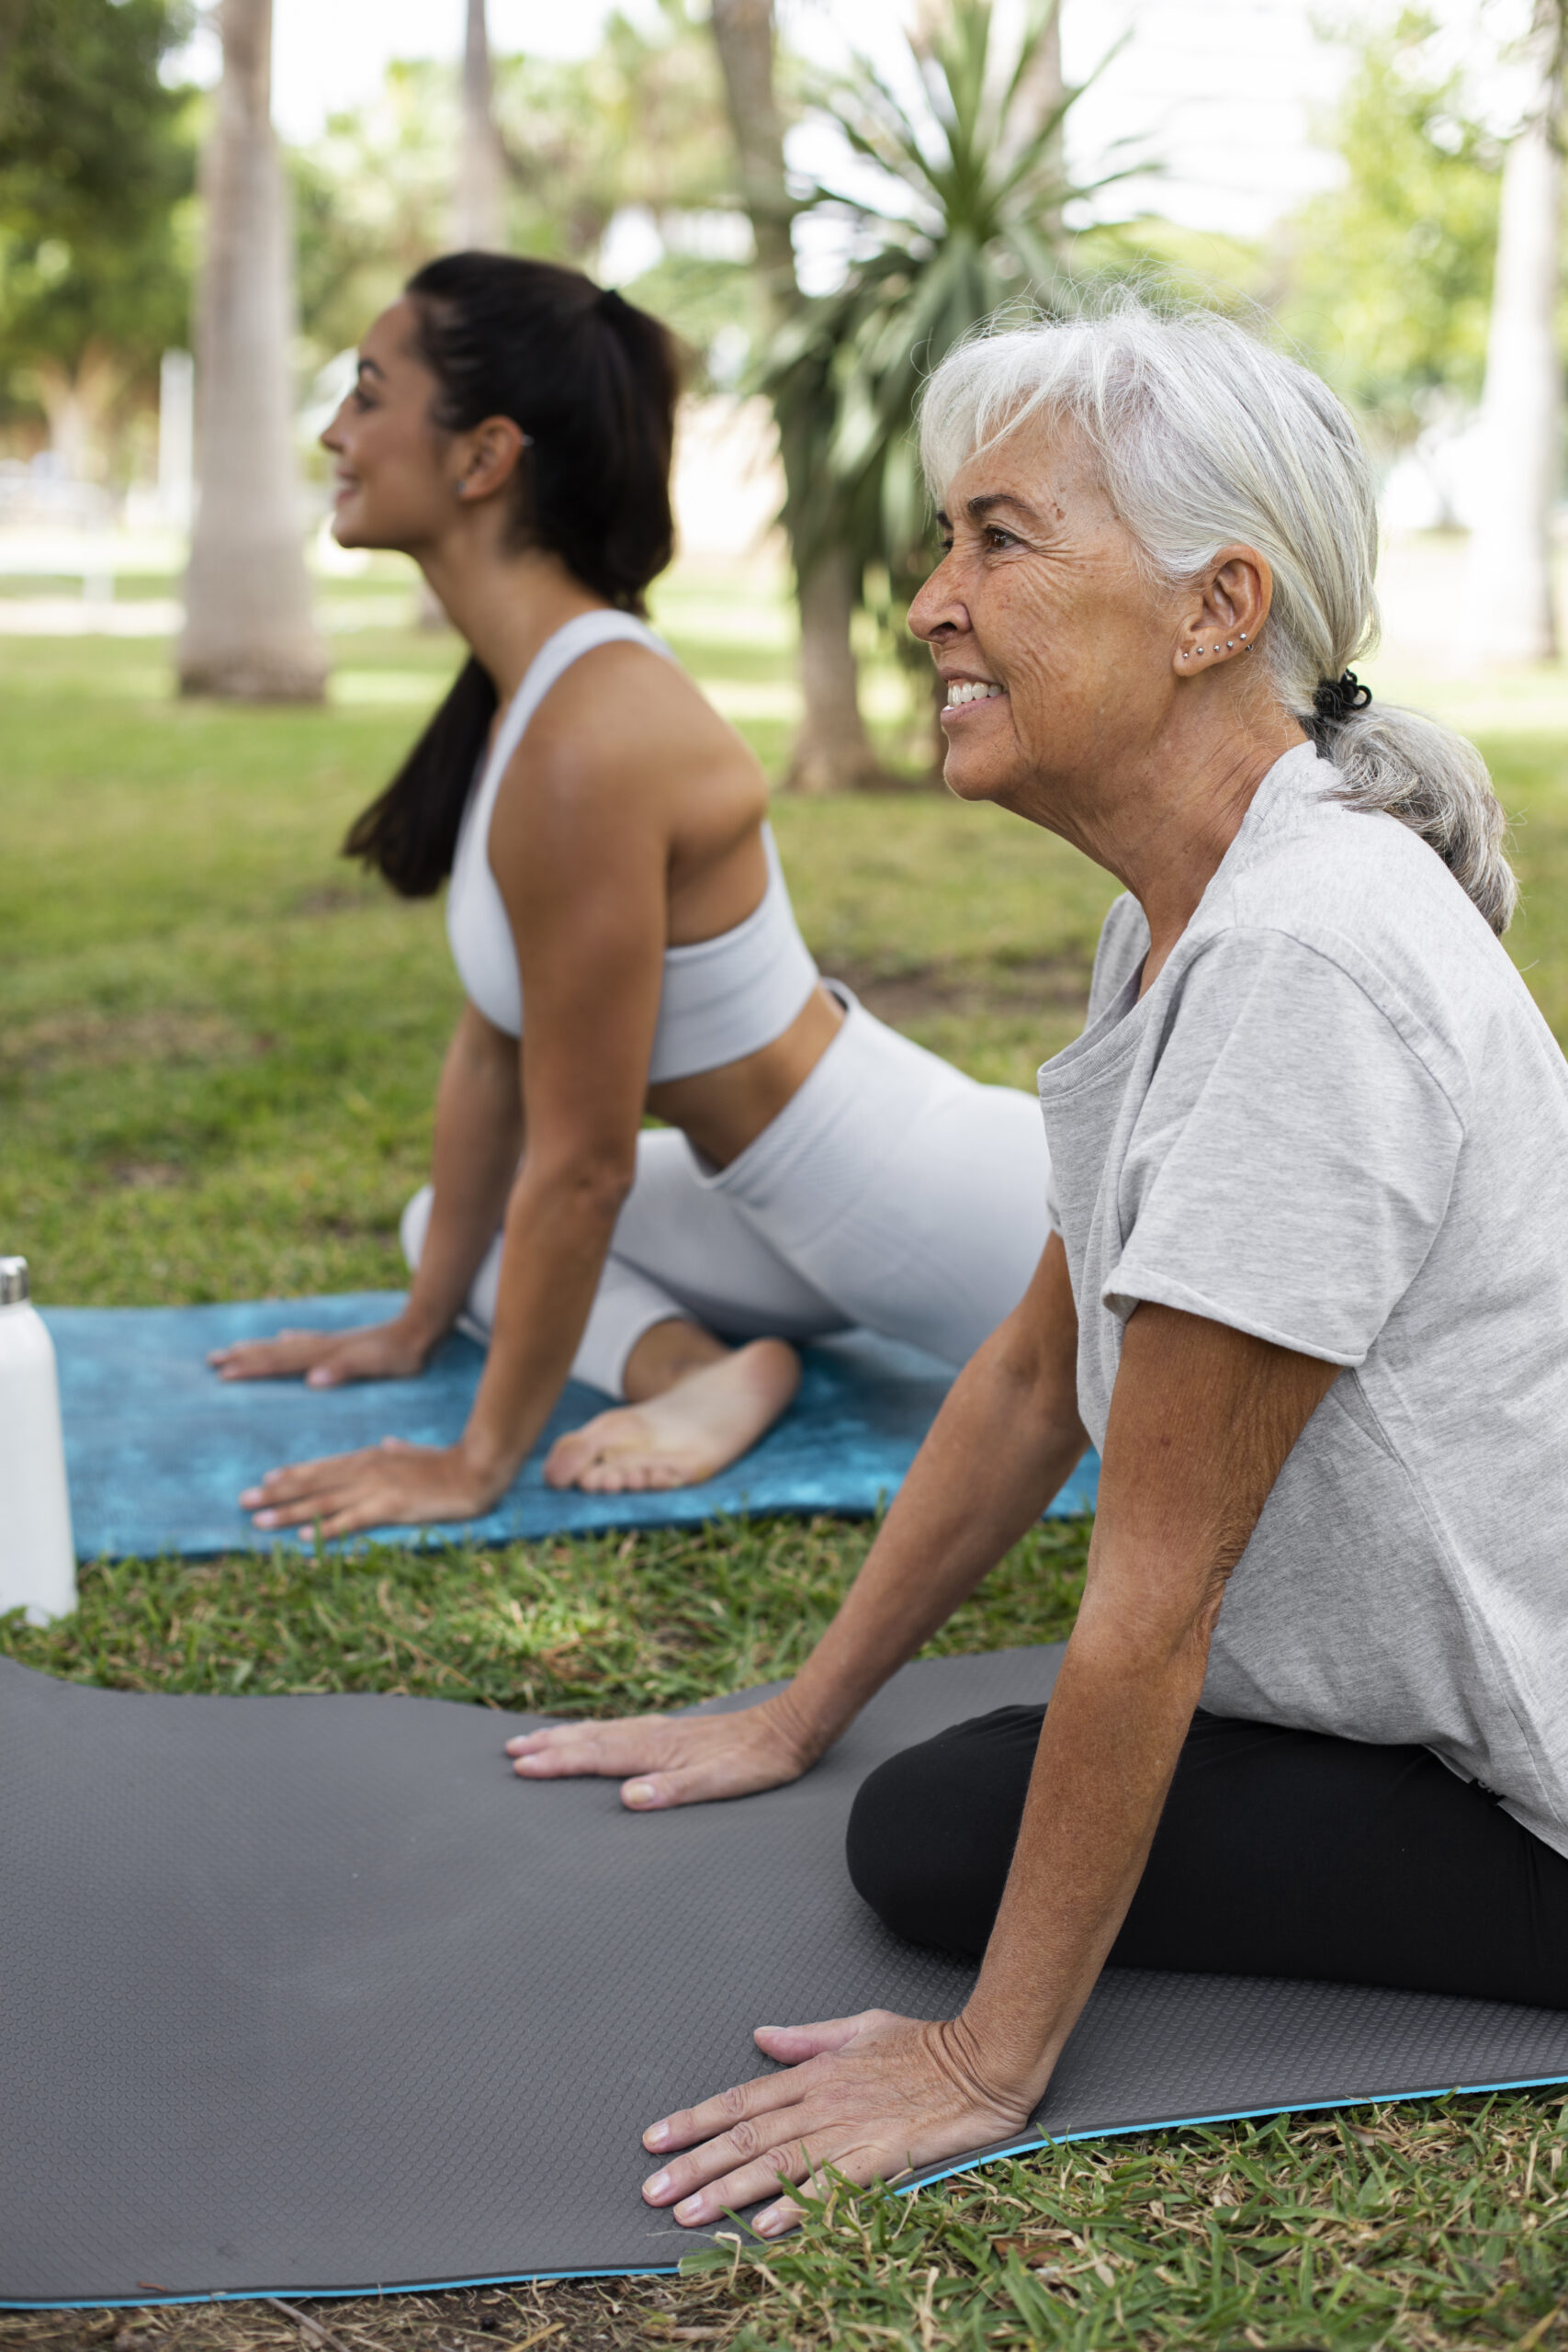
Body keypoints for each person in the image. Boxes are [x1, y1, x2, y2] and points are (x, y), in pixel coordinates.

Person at [503, 299, 1568, 2240]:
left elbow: (1152, 1592)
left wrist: (984, 2058)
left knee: (942, 1834)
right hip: (1446, 1703)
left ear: (1210, 606)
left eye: (996, 539)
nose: (929, 600)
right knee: (923, 1793)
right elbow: (1021, 1375)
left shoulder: (1295, 962)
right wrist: (792, 1706)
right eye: (941, 541)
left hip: (1539, 1797)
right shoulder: (1189, 911)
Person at [209, 254, 1050, 1538]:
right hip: (763, 1202)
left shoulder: (591, 733)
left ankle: (726, 1370)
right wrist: (417, 1326)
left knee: (1180, 1374)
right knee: (448, 1217)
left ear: (486, 456)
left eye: (370, 393)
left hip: (932, 1205)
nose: (335, 430)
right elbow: (496, 1047)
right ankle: (714, 1376)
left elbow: (588, 1166)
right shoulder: (529, 696)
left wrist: (474, 1462)